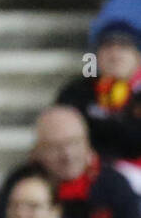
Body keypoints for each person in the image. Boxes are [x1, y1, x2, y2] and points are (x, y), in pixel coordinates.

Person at [56, 21, 141, 192]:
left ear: (138, 56)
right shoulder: (78, 91)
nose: (115, 55)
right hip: (83, 171)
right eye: (108, 47)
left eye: (124, 47)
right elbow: (59, 129)